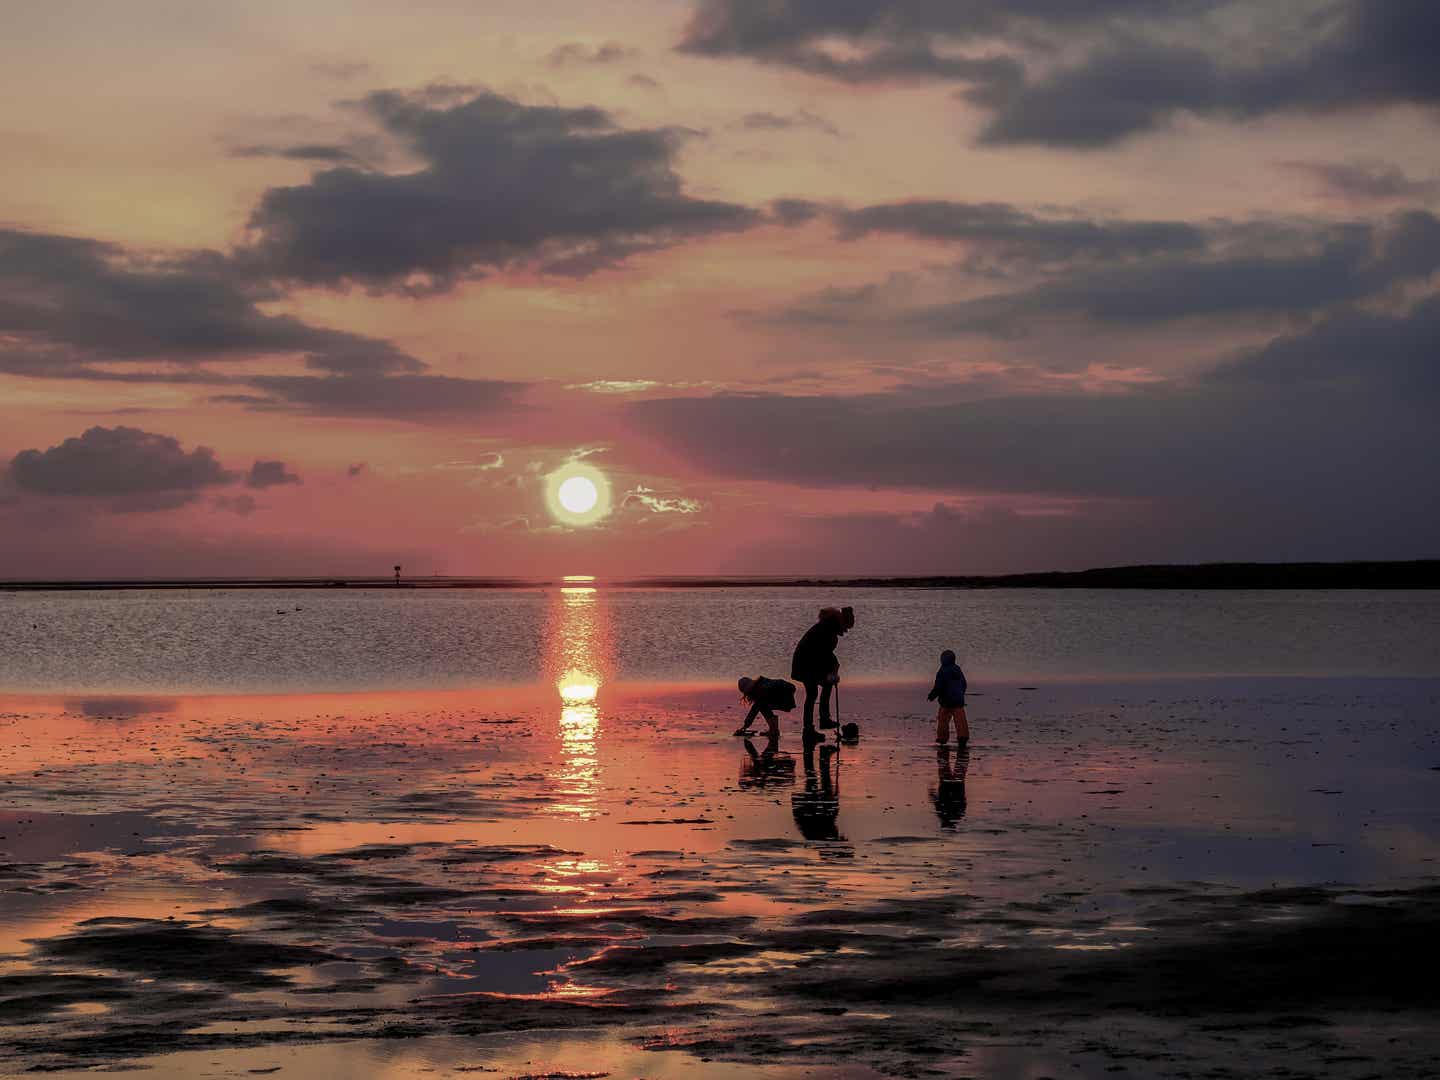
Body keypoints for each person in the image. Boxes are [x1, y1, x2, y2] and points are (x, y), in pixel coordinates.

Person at [790, 606, 854, 744]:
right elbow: (822, 654)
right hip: (805, 664)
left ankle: (819, 722)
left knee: (821, 688)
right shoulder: (827, 631)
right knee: (813, 693)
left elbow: (826, 654)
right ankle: (810, 728)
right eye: (846, 627)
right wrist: (832, 671)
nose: (846, 630)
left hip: (808, 663)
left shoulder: (827, 627)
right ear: (841, 621)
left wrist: (833, 669)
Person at [927, 648, 969, 746]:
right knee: (960, 720)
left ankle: (942, 738)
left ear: (942, 660)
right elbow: (964, 684)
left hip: (946, 702)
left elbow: (938, 686)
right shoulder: (957, 669)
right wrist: (961, 694)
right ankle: (963, 737)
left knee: (943, 720)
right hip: (958, 701)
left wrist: (932, 695)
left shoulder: (942, 671)